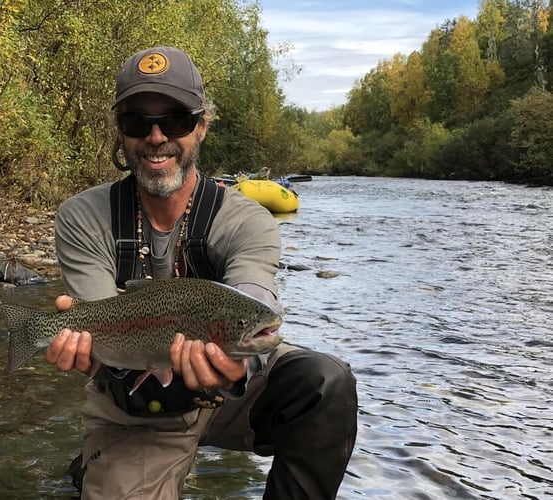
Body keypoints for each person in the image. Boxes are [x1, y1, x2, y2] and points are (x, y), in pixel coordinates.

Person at [45, 46, 358, 499]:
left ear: (202, 126)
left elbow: (255, 296)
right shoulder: (82, 216)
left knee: (325, 383)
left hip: (236, 393)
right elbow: (98, 323)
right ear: (121, 131)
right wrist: (82, 351)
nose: (156, 136)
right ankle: (101, 463)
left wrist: (233, 368)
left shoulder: (247, 220)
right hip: (134, 411)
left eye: (175, 120)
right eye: (137, 121)